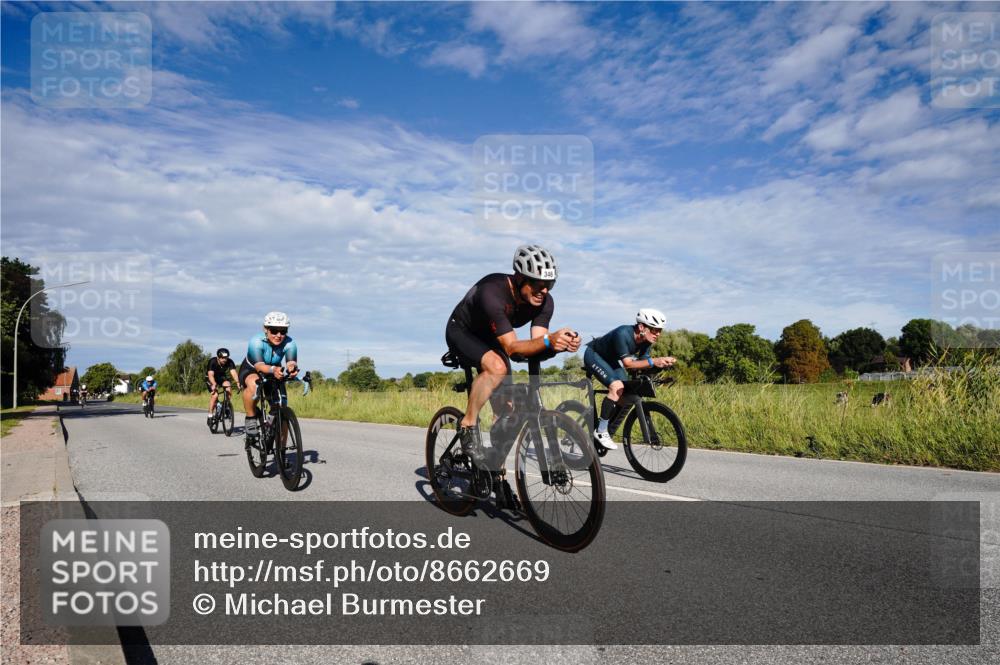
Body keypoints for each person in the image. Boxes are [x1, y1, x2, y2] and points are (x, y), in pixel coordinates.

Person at [445, 244, 580, 459]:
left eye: (550, 284)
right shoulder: (493, 291)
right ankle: (467, 425)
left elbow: (535, 344)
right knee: (497, 368)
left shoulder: (544, 302)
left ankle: (493, 469)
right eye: (538, 283)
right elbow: (511, 348)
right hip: (462, 331)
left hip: (493, 336)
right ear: (519, 278)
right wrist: (549, 341)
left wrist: (556, 345)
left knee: (507, 411)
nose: (544, 290)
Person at [584, 309, 676, 450]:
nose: (658, 334)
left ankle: (604, 424)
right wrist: (654, 361)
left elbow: (643, 363)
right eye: (654, 330)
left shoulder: (646, 341)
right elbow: (628, 364)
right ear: (641, 327)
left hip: (610, 360)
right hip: (594, 355)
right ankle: (601, 431)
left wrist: (660, 366)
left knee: (626, 394)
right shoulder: (623, 333)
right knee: (616, 386)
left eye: (660, 330)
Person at [239, 312, 298, 441]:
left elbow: (291, 361)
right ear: (265, 329)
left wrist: (292, 368)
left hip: (274, 370)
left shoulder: (290, 342)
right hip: (252, 368)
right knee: (254, 385)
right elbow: (259, 365)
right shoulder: (256, 341)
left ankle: (281, 452)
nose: (278, 335)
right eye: (274, 331)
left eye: (283, 331)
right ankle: (250, 418)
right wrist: (273, 369)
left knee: (281, 408)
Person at [207, 347, 239, 426]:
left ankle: (226, 406)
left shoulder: (230, 362)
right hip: (211, 378)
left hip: (221, 377)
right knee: (215, 395)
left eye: (226, 358)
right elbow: (210, 375)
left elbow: (234, 373)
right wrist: (214, 384)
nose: (224, 360)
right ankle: (210, 415)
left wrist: (238, 382)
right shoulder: (212, 361)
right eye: (222, 358)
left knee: (228, 385)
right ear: (218, 357)